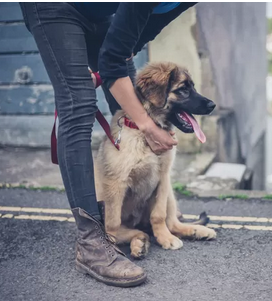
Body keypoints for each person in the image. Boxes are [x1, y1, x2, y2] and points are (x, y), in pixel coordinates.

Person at [19, 2, 197, 287]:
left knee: (132, 99)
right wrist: (147, 126)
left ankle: (144, 213)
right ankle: (93, 242)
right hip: (55, 8)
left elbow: (128, 45)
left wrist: (108, 68)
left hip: (100, 13)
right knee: (78, 103)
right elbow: (114, 59)